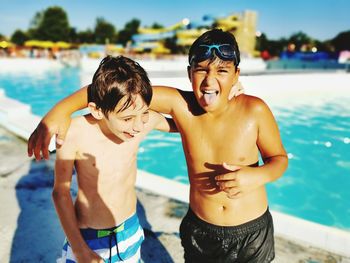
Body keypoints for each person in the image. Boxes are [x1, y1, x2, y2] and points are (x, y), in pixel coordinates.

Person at [28, 29, 288, 262]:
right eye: (201, 70)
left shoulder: (255, 110)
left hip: (250, 231)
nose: (210, 81)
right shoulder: (181, 106)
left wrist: (256, 175)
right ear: (189, 73)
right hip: (202, 229)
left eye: (222, 71)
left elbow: (279, 159)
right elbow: (116, 90)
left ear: (236, 75)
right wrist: (57, 113)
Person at [51, 55, 176, 263]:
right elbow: (60, 192)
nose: (137, 126)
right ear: (97, 110)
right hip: (88, 239)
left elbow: (188, 122)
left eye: (144, 113)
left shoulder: (141, 123)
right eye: (127, 119)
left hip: (129, 231)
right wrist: (80, 249)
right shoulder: (75, 133)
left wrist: (229, 98)